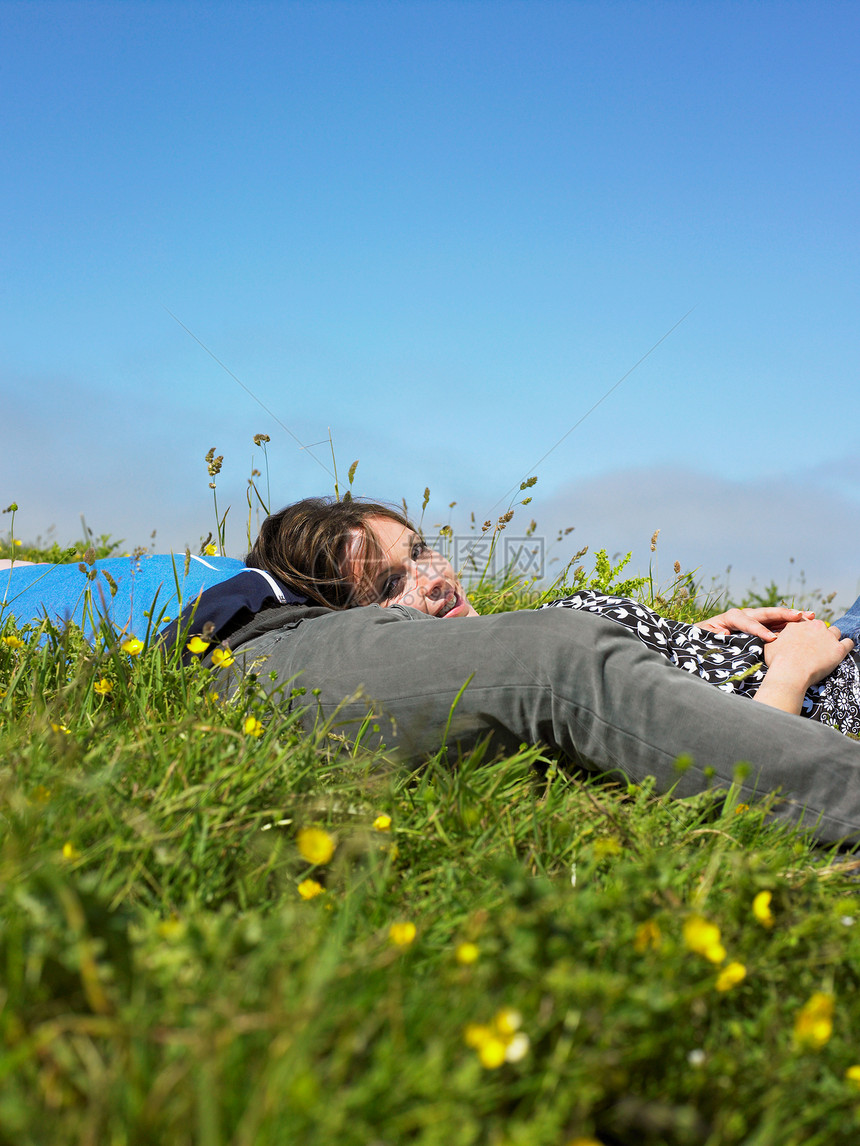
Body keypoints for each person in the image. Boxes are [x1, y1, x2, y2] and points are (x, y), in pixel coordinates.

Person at [193, 496, 860, 846]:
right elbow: (735, 772)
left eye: (422, 551)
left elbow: (645, 678)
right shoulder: (510, 702)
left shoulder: (534, 621)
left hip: (824, 638)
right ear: (369, 626)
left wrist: (701, 634)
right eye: (392, 582)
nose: (432, 579)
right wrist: (790, 673)